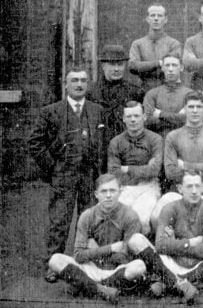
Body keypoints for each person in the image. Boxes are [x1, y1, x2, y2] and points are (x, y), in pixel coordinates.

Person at [29, 67, 107, 283]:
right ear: (65, 84)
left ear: (88, 84)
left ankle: (88, 263)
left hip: (89, 175)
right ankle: (54, 265)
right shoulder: (51, 111)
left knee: (90, 219)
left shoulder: (97, 110)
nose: (79, 84)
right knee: (59, 221)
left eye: (83, 80)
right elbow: (35, 143)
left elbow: (103, 142)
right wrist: (53, 168)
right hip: (63, 174)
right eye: (74, 80)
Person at [128, 172, 203, 304]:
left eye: (197, 186)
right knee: (135, 240)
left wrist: (174, 244)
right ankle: (181, 284)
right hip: (170, 263)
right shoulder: (169, 208)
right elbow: (160, 245)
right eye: (189, 186)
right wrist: (190, 242)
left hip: (198, 267)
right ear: (180, 189)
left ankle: (169, 282)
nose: (194, 191)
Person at [46, 174, 146, 303]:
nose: (108, 195)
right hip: (91, 268)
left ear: (120, 192)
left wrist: (94, 250)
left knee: (139, 267)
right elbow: (78, 256)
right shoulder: (87, 216)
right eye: (104, 191)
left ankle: (85, 285)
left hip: (115, 270)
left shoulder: (130, 216)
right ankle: (100, 289)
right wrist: (111, 248)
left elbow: (123, 257)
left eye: (112, 191)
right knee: (55, 260)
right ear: (96, 194)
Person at [159, 91, 203, 246]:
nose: (195, 110)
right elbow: (170, 172)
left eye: (199, 106)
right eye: (191, 107)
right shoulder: (173, 136)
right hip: (178, 193)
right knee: (155, 216)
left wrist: (185, 165)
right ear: (184, 109)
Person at [107, 101, 163, 235]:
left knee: (141, 219)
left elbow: (155, 170)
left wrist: (126, 169)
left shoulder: (155, 139)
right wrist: (144, 169)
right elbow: (114, 172)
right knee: (113, 218)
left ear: (144, 117)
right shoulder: (116, 142)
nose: (133, 120)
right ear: (124, 119)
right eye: (129, 116)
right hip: (124, 188)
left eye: (137, 116)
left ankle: (141, 252)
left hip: (148, 187)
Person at [88, 45, 145, 140]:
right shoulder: (91, 93)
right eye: (112, 64)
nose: (116, 69)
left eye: (120, 64)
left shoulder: (135, 92)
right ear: (103, 66)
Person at [129, 4, 182, 91]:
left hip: (168, 89)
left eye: (160, 16)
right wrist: (159, 63)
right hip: (144, 89)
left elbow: (171, 67)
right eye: (153, 15)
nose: (156, 18)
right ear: (147, 19)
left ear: (165, 20)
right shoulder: (138, 44)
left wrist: (145, 66)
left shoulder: (173, 44)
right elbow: (133, 66)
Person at [143, 54, 194, 138]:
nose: (170, 69)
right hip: (158, 139)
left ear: (181, 67)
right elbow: (147, 120)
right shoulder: (152, 94)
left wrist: (160, 114)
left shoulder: (190, 94)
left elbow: (190, 120)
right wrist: (177, 118)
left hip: (184, 139)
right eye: (167, 65)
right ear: (162, 68)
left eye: (174, 65)